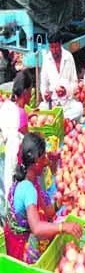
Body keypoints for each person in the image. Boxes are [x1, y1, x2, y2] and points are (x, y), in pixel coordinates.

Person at [4, 132, 82, 264]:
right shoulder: (28, 189)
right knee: (54, 236)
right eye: (43, 157)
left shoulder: (32, 180)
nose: (46, 161)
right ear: (35, 162)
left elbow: (48, 212)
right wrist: (63, 226)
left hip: (18, 240)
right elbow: (37, 228)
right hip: (21, 248)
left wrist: (60, 201)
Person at [0, 71, 32, 225]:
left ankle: (4, 220)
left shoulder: (7, 106)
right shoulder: (21, 114)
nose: (31, 95)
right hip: (12, 161)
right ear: (26, 92)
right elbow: (28, 141)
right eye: (31, 91)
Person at [39, 32, 83, 120]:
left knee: (79, 108)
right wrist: (45, 94)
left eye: (56, 47)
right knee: (41, 109)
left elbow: (74, 83)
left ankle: (58, 119)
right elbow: (43, 85)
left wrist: (65, 91)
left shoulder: (68, 57)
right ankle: (60, 119)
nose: (54, 51)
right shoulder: (47, 59)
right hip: (52, 103)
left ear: (60, 44)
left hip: (66, 103)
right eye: (51, 47)